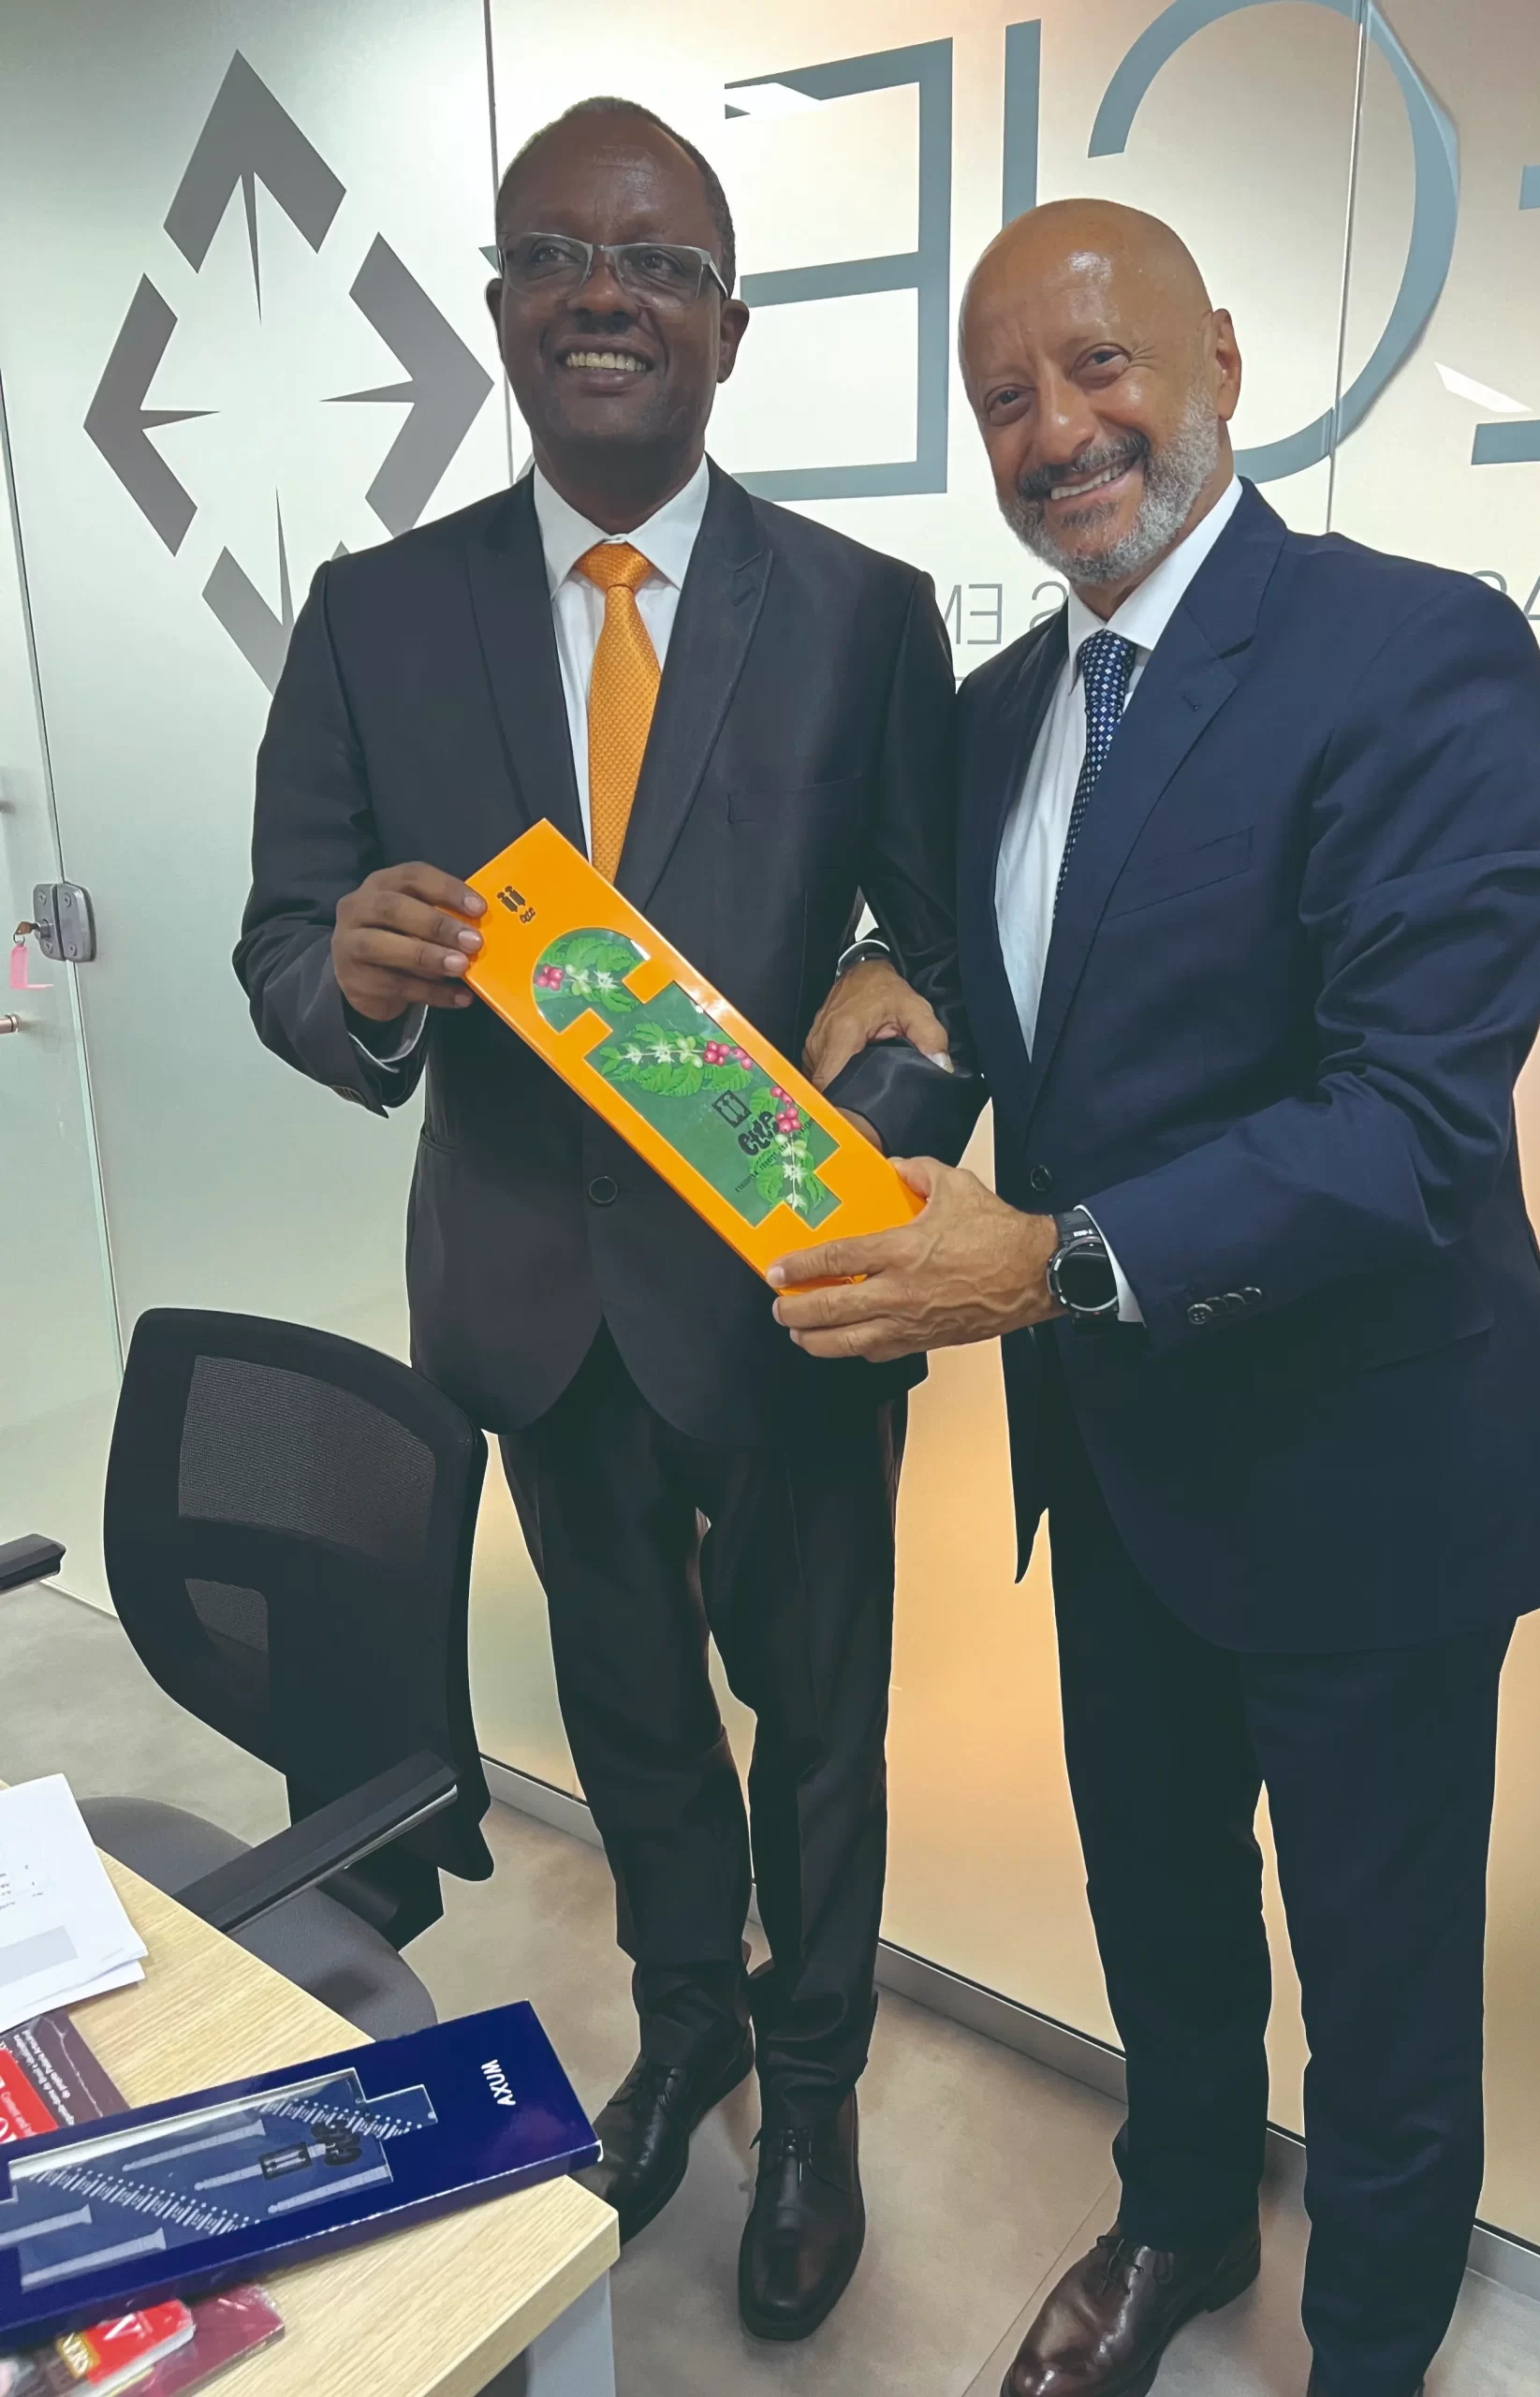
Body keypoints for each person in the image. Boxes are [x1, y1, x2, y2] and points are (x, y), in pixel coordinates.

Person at [784, 199, 1540, 2397]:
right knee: (1158, 1901)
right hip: (1122, 1457)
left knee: (1380, 1972)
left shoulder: (1415, 651)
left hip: (1367, 1461)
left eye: (1099, 367)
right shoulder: (993, 715)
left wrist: (1046, 1257)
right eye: (1005, 398)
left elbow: (1412, 1118)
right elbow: (1021, 986)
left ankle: (1367, 2341)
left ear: (1223, 362)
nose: (1057, 430)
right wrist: (895, 987)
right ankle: (1177, 2213)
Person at [237, 96, 979, 2342]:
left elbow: (945, 951)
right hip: (533, 1299)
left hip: (791, 1295)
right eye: (555, 254)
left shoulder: (863, 615)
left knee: (820, 1732)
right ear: (497, 310)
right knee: (631, 1708)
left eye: (656, 262)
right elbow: (285, 945)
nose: (603, 294)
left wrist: (875, 1085)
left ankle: (817, 2096)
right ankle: (688, 2026)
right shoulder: (375, 616)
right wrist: (356, 978)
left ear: (728, 326)